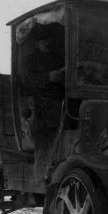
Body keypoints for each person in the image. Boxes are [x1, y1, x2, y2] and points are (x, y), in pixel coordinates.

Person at [23, 25, 65, 183]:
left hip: (59, 107)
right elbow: (26, 81)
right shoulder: (31, 60)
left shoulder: (58, 59)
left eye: (49, 39)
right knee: (43, 146)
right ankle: (40, 182)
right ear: (37, 43)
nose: (47, 42)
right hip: (39, 109)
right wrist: (48, 77)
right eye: (43, 40)